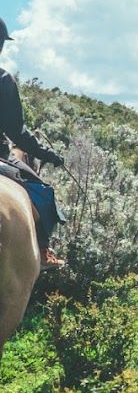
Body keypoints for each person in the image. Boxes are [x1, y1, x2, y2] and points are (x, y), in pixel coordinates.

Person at [0, 18, 67, 270]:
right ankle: (44, 250)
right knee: (42, 193)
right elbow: (16, 131)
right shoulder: (3, 79)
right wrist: (46, 153)